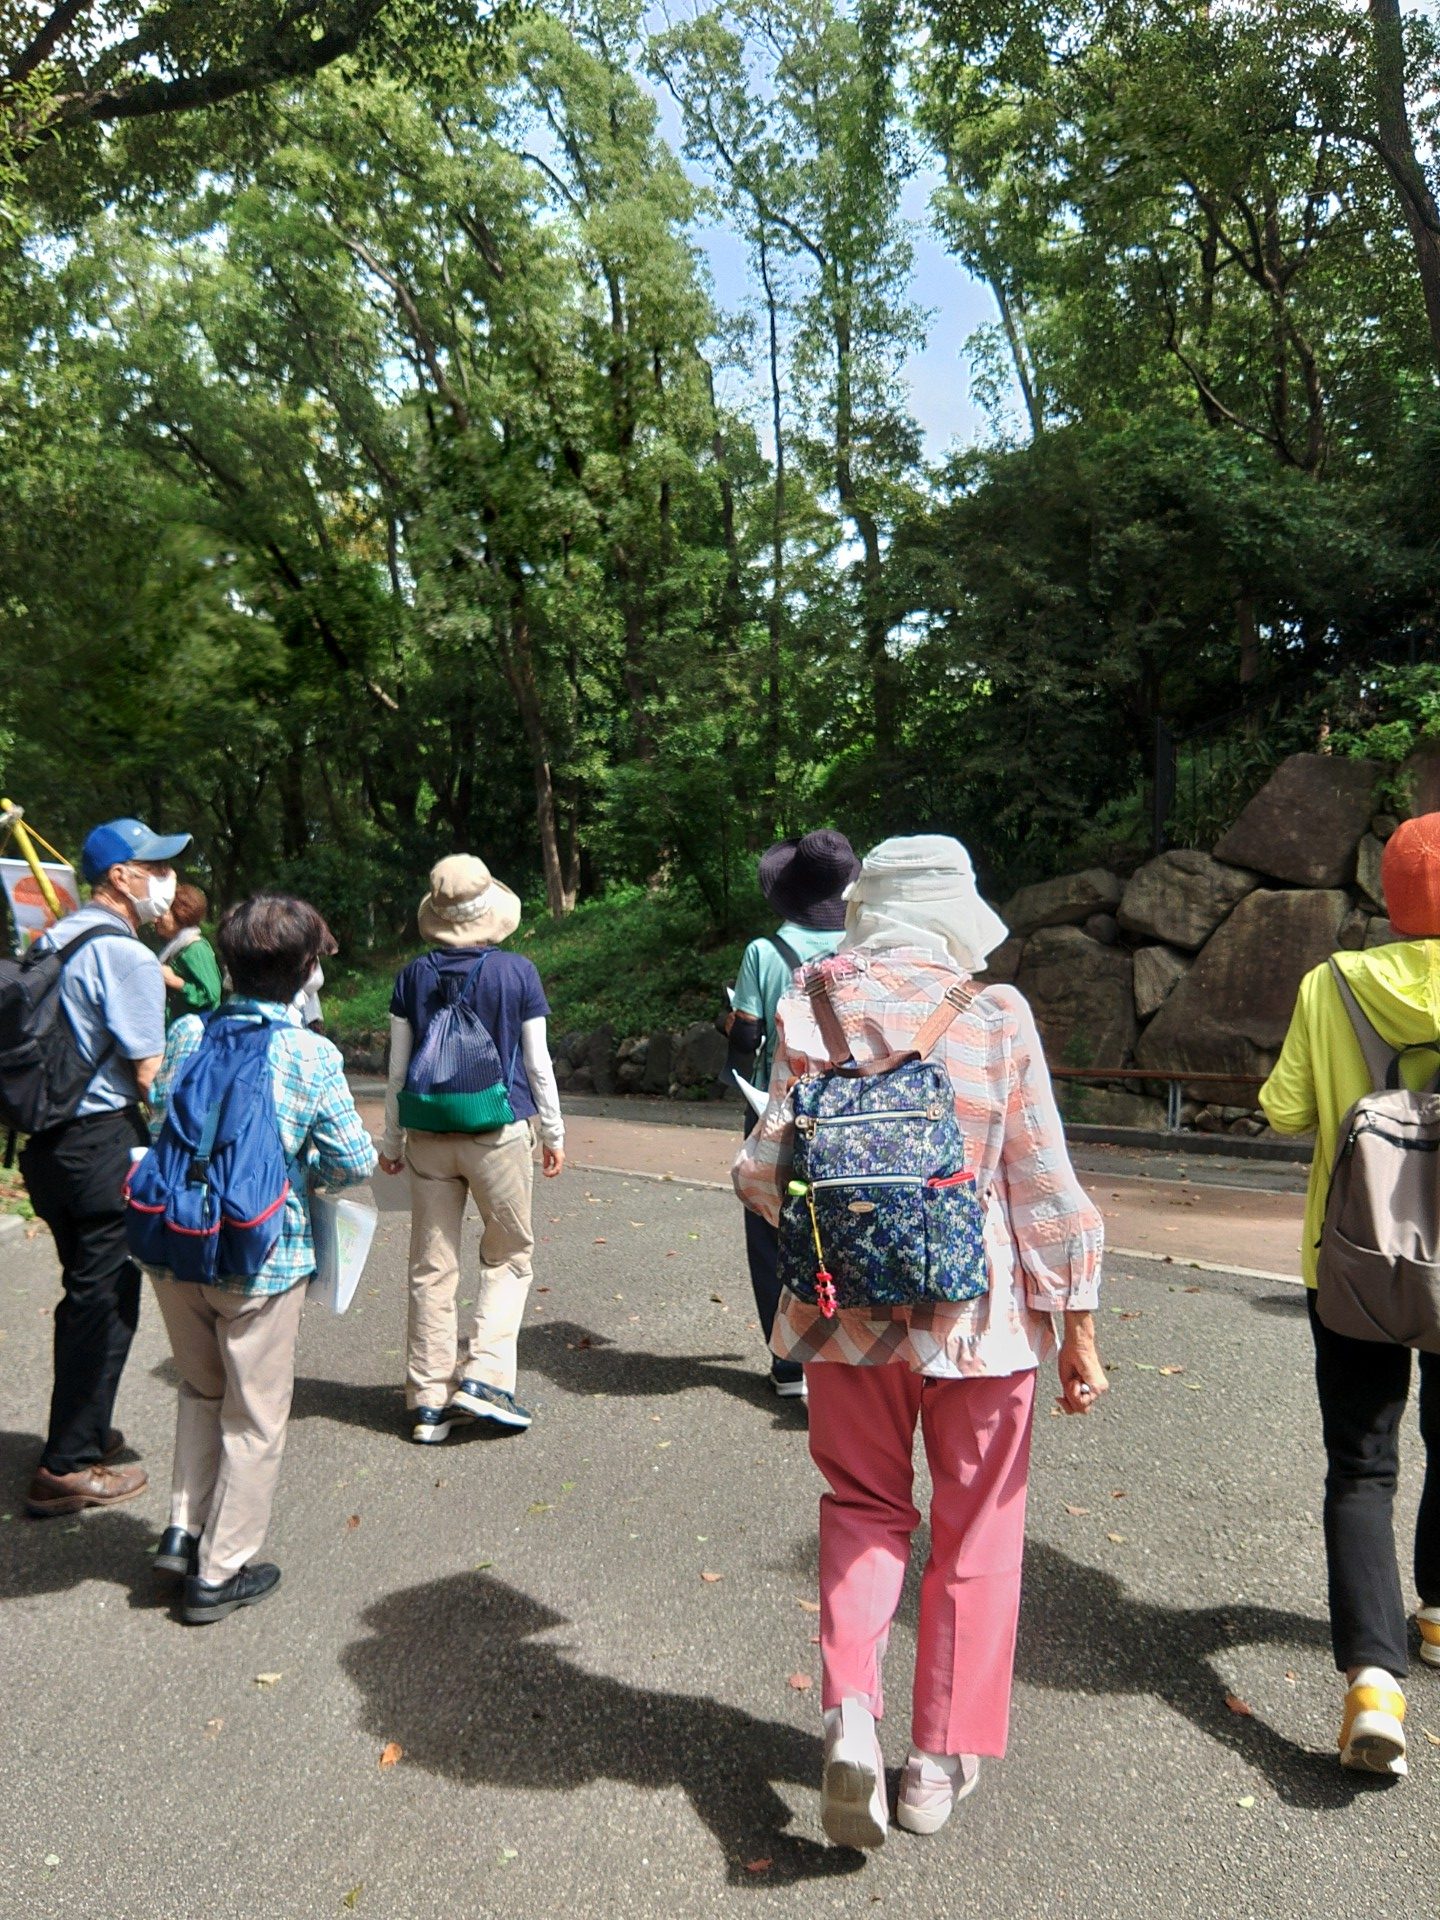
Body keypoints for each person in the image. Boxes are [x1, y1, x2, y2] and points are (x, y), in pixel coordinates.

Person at [735, 834, 1106, 1846]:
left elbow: (763, 1172)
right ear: (959, 912)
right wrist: (1077, 1324)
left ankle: (852, 1716)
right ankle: (936, 1766)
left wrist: (846, 1247)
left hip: (842, 1312)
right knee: (976, 1535)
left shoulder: (811, 998)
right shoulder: (995, 1013)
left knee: (861, 1506)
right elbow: (1042, 1185)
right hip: (980, 1319)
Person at [1261, 813, 1440, 1777]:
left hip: (1352, 1266)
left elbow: (1286, 1109)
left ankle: (1373, 1681)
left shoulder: (1331, 985)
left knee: (1362, 1467)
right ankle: (1439, 1612)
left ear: (1390, 899)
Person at [144, 892, 376, 1622]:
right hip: (259, 1259)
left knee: (200, 1392)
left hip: (175, 1247)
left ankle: (183, 1531)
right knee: (255, 1418)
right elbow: (353, 1160)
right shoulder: (310, 1054)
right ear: (307, 970)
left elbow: (160, 1119)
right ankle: (219, 1571)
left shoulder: (187, 1036)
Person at [21, 814, 191, 1517]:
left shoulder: (51, 937)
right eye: (153, 867)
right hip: (99, 1142)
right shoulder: (123, 955)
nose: (164, 880)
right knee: (105, 1303)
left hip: (46, 1145)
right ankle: (68, 1465)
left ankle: (83, 1429)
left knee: (85, 1291)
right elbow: (151, 1073)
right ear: (120, 877)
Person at [379, 855, 565, 1444]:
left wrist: (392, 1139)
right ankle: (483, 1380)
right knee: (508, 1256)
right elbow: (538, 1065)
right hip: (498, 1133)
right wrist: (555, 1134)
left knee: (431, 1268)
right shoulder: (517, 972)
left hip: (430, 1137)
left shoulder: (412, 976)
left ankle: (428, 1399)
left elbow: (397, 1070)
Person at [728, 830, 859, 1399]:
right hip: (850, 1110)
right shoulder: (861, 948)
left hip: (776, 1109)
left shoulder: (764, 953)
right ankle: (841, 1350)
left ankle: (787, 1363)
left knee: (769, 1227)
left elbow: (746, 1039)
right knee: (839, 1224)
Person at [155, 881, 223, 1021]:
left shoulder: (195, 949)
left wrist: (175, 981)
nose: (156, 919)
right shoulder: (174, 947)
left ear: (181, 915)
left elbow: (212, 995)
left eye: (163, 913)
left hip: (195, 1034)